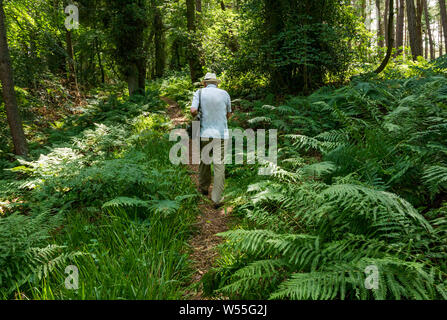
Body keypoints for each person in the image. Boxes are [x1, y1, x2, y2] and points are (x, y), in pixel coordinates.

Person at [190, 73, 231, 209]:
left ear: (205, 83)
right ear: (216, 83)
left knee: (204, 160)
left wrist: (199, 115)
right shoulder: (225, 94)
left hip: (205, 133)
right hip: (221, 134)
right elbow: (228, 114)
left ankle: (203, 188)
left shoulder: (200, 92)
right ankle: (216, 199)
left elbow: (193, 110)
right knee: (219, 165)